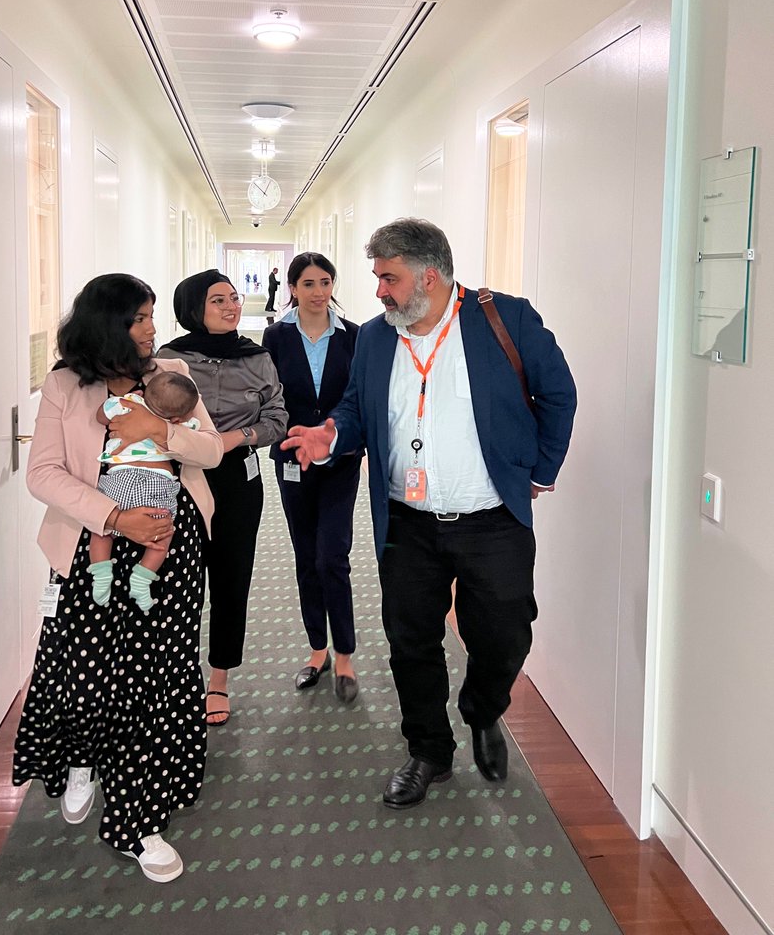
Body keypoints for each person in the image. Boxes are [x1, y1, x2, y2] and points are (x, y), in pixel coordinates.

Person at [282, 219, 576, 809]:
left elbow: (558, 393)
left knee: (504, 632)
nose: (379, 291)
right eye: (377, 278)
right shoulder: (374, 338)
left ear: (430, 275)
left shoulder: (504, 319)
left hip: (492, 517)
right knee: (410, 639)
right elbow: (357, 409)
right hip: (407, 522)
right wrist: (332, 434)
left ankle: (484, 710)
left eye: (388, 278)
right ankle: (428, 749)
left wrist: (539, 471)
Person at [13, 274, 223, 883]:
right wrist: (113, 516)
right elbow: (44, 473)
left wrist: (161, 432)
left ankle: (137, 820)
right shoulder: (65, 384)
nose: (152, 329)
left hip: (167, 542)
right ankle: (82, 755)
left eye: (152, 316)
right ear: (107, 324)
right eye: (139, 319)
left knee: (152, 677)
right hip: (91, 544)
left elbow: (209, 451)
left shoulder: (171, 371)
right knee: (83, 668)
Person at [158, 270, 288, 726]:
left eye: (234, 299)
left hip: (237, 477)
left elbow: (277, 417)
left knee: (232, 577)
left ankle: (219, 679)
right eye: (219, 301)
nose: (232, 307)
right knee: (178, 581)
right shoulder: (169, 359)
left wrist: (235, 439)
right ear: (195, 308)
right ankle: (175, 675)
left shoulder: (257, 357)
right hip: (179, 478)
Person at [262, 253, 362, 703]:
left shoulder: (354, 337)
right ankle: (317, 649)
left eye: (325, 281)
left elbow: (357, 399)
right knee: (306, 554)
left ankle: (345, 654)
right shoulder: (275, 337)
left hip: (341, 460)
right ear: (293, 288)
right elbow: (269, 397)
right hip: (291, 460)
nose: (319, 292)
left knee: (332, 556)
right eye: (308, 283)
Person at [89, 370, 200, 613]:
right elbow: (196, 438)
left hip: (119, 479)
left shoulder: (127, 403)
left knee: (102, 529)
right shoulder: (177, 423)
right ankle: (142, 579)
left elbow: (101, 416)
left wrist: (125, 400)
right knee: (163, 533)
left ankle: (101, 573)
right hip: (156, 484)